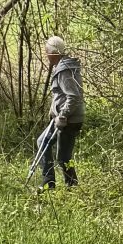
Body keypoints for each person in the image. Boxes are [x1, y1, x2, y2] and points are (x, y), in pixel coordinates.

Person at [37, 35, 85, 189]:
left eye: (47, 52)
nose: (46, 55)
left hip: (68, 119)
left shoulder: (64, 71)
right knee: (52, 149)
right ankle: (58, 184)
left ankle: (58, 185)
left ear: (53, 53)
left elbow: (74, 96)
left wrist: (63, 115)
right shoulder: (64, 66)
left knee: (59, 154)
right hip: (66, 118)